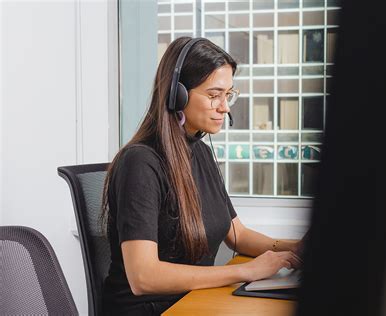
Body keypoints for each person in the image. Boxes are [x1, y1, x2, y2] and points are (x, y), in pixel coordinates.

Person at [101, 37, 303, 315]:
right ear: (177, 95)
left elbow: (237, 234)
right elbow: (143, 276)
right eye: (214, 95)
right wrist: (246, 271)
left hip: (191, 303)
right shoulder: (141, 162)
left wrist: (294, 250)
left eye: (228, 94)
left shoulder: (202, 154)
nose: (225, 107)